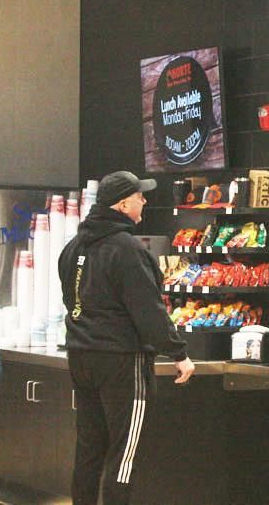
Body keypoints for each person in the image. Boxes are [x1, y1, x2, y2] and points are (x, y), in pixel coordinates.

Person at [59, 171, 194, 505]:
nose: (144, 201)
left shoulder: (73, 246)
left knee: (89, 449)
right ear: (122, 204)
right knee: (125, 452)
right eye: (139, 196)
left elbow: (69, 297)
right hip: (120, 360)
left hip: (80, 355)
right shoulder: (127, 249)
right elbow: (147, 311)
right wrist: (178, 353)